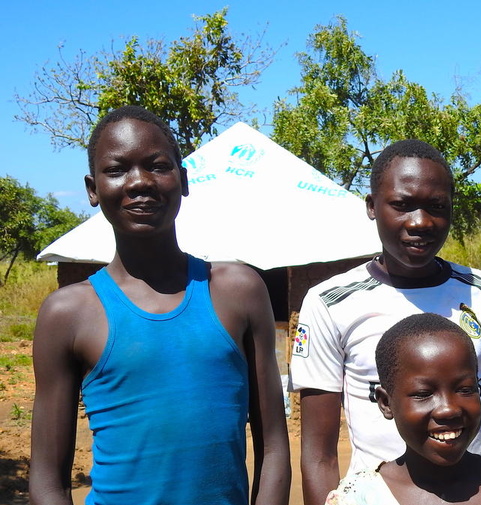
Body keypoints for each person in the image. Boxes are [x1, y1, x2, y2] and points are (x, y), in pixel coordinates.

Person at [29, 106, 291, 505]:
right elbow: (48, 479)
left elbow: (273, 446)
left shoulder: (239, 290)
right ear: (92, 189)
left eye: (157, 166)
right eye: (117, 170)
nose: (140, 183)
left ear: (183, 180)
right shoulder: (68, 313)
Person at [290, 139, 481, 505]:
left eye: (436, 207)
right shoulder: (330, 302)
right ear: (372, 207)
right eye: (402, 205)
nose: (420, 222)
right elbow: (320, 453)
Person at [325, 313, 481, 505]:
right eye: (424, 394)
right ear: (386, 403)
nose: (448, 409)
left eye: (465, 389)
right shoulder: (355, 497)